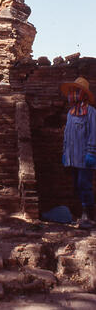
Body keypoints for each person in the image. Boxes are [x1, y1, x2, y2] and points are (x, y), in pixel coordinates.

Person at [61, 77, 96, 229]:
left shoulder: (90, 112)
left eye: (77, 91)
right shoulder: (71, 113)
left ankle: (90, 217)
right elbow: (67, 135)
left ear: (84, 94)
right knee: (77, 185)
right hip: (72, 157)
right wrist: (65, 152)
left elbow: (94, 133)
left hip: (85, 157)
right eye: (72, 91)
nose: (73, 94)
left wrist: (92, 152)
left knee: (84, 184)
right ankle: (83, 215)